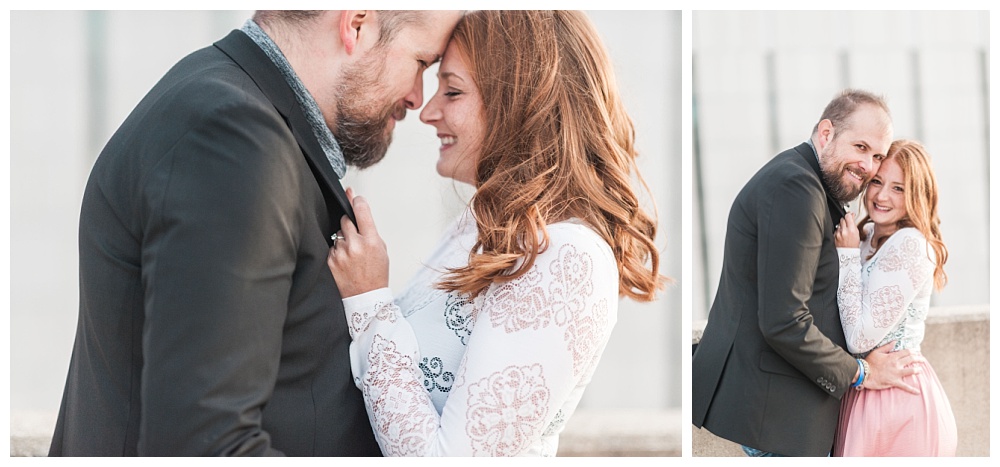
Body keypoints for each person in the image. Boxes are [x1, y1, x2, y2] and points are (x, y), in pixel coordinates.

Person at [49, 10, 462, 456]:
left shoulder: (223, 103)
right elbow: (205, 446)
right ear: (356, 24)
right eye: (422, 62)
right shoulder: (235, 138)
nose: (419, 98)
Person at [326, 10, 666, 456]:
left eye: (452, 91)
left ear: (521, 101)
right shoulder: (485, 225)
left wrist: (369, 300)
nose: (427, 112)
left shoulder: (567, 258)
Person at [691, 89, 927, 457]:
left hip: (785, 415)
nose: (868, 166)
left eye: (877, 155)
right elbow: (784, 320)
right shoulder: (796, 188)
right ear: (826, 133)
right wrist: (861, 373)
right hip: (778, 417)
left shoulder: (806, 182)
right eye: (860, 147)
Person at [832, 140, 957, 456]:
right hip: (866, 391)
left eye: (898, 188)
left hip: (898, 400)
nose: (882, 196)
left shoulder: (911, 244)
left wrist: (846, 255)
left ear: (917, 195)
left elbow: (859, 338)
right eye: (877, 181)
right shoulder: (869, 235)